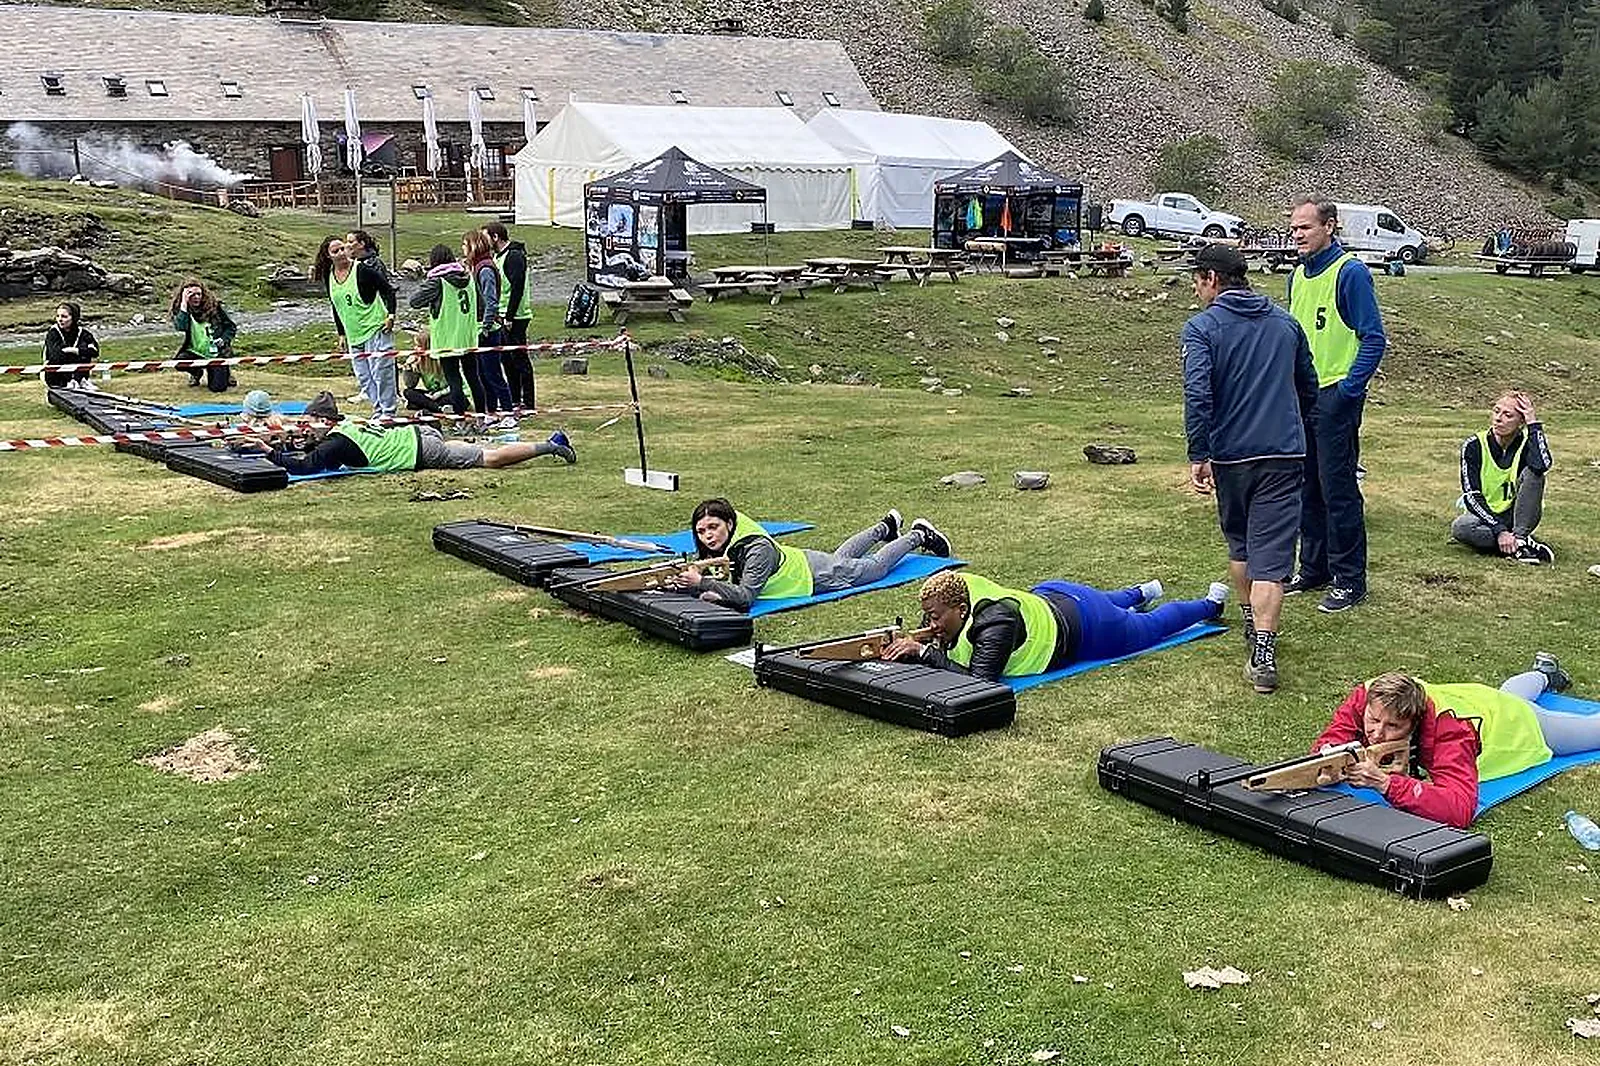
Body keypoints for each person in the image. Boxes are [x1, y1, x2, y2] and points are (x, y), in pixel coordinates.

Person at [1182, 244, 1318, 694]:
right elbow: (1308, 387)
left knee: (1241, 546)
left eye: (1198, 280)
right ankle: (1263, 648)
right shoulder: (1286, 324)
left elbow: (1198, 394)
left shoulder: (1203, 329)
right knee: (1273, 556)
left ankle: (1253, 629)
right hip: (1283, 452)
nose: (1197, 290)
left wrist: (1198, 453)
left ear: (1213, 280)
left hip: (1231, 455)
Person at [1310, 654, 1590, 828]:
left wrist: (1386, 784)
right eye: (1372, 720)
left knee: (1589, 731)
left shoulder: (1449, 731)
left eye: (1393, 726)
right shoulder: (1369, 695)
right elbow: (1333, 738)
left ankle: (1543, 675)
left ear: (1415, 723)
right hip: (1480, 698)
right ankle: (1544, 674)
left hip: (1519, 725)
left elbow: (1460, 809)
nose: (1376, 733)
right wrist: (1330, 754)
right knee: (1509, 694)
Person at [1284, 194, 1388, 614]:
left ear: (1329, 226)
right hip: (1300, 398)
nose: (1297, 236)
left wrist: (1349, 390)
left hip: (1334, 396)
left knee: (1338, 489)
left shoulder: (1350, 272)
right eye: (1293, 229)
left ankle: (1350, 579)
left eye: (1304, 228)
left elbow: (1373, 337)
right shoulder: (1297, 275)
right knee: (1306, 486)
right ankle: (1314, 568)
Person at [882, 570, 1228, 682]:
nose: (931, 623)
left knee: (1150, 627)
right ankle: (1140, 591)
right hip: (1055, 594)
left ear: (960, 610)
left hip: (1091, 628)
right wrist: (910, 641)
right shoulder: (951, 592)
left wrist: (924, 652)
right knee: (1107, 598)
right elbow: (932, 631)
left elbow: (979, 681)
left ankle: (1209, 604)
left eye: (936, 618)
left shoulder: (995, 624)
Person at [668, 502, 951, 612]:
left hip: (813, 577)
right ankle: (885, 527)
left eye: (713, 528)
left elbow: (745, 596)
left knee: (873, 568)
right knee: (842, 558)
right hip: (804, 562)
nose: (708, 536)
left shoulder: (756, 550)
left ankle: (919, 535)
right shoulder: (727, 544)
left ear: (729, 524)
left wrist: (702, 584)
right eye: (701, 531)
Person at [242, 409, 577, 475]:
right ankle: (550, 443)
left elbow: (307, 465)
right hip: (418, 434)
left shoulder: (335, 444)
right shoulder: (348, 424)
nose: (306, 430)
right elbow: (313, 447)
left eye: (310, 424)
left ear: (326, 423)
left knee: (490, 459)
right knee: (485, 448)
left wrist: (272, 453)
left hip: (420, 451)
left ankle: (551, 445)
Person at [1451, 390, 1554, 564]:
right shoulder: (1474, 445)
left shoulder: (1526, 444)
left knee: (1534, 474)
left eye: (1508, 415)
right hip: (1484, 516)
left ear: (1521, 422)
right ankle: (1521, 546)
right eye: (1496, 411)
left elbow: (1542, 465)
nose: (1498, 418)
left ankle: (1519, 538)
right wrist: (1499, 531)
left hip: (1518, 516)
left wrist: (1533, 424)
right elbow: (1471, 496)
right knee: (1461, 528)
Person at [313, 234, 398, 418]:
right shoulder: (330, 277)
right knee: (364, 378)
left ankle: (388, 413)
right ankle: (377, 411)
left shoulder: (363, 270)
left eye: (343, 248)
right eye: (336, 251)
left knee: (381, 374)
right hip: (353, 334)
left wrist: (391, 315)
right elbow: (335, 306)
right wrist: (341, 334)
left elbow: (388, 290)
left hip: (376, 328)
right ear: (329, 256)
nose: (342, 253)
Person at [408, 244, 484, 415]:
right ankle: (481, 416)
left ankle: (460, 418)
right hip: (468, 337)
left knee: (454, 380)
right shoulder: (469, 278)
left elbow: (415, 301)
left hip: (447, 338)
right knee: (474, 378)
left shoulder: (438, 282)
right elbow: (481, 307)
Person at [463, 228, 513, 419]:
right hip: (480, 328)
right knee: (484, 374)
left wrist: (485, 327)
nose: (463, 248)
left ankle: (508, 414)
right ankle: (491, 412)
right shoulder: (476, 267)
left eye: (465, 244)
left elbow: (491, 301)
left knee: (494, 374)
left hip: (489, 330)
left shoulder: (484, 269)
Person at [487, 222, 537, 410]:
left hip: (516, 317)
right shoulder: (498, 257)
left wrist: (509, 316)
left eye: (486, 238)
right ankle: (514, 398)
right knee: (507, 360)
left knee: (520, 359)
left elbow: (517, 288)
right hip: (503, 315)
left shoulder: (514, 256)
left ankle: (528, 402)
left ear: (495, 237)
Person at [171, 278, 238, 393]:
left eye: (199, 294)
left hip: (216, 353)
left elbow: (231, 327)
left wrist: (223, 339)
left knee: (218, 388)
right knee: (179, 362)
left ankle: (226, 373)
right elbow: (181, 326)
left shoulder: (214, 307)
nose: (196, 297)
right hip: (195, 352)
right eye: (192, 295)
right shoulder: (182, 309)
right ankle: (196, 373)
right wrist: (183, 305)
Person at [41, 302, 100, 390]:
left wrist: (75, 350)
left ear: (73, 318)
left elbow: (94, 351)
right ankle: (66, 382)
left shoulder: (83, 333)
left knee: (83, 354)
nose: (60, 319)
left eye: (64, 317)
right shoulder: (53, 333)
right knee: (62, 357)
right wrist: (72, 351)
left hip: (78, 370)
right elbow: (55, 354)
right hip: (54, 375)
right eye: (58, 316)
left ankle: (81, 380)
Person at [401, 329, 452, 414]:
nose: (415, 348)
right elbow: (410, 385)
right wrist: (408, 368)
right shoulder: (419, 362)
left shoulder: (442, 360)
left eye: (418, 345)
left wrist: (439, 394)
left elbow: (458, 386)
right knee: (408, 393)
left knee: (453, 398)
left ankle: (427, 406)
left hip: (446, 393)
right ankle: (438, 408)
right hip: (431, 394)